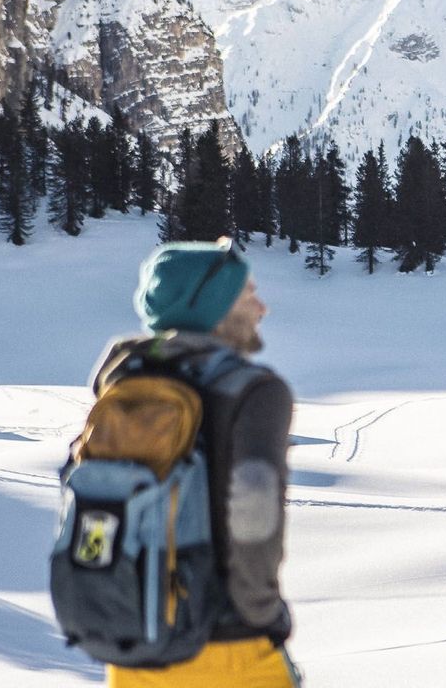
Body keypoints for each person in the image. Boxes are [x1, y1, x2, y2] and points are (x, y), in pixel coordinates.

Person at [94, 239, 299, 687]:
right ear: (214, 307)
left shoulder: (123, 379)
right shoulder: (255, 391)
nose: (261, 308)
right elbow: (255, 507)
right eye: (248, 294)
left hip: (134, 642)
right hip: (228, 645)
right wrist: (262, 613)